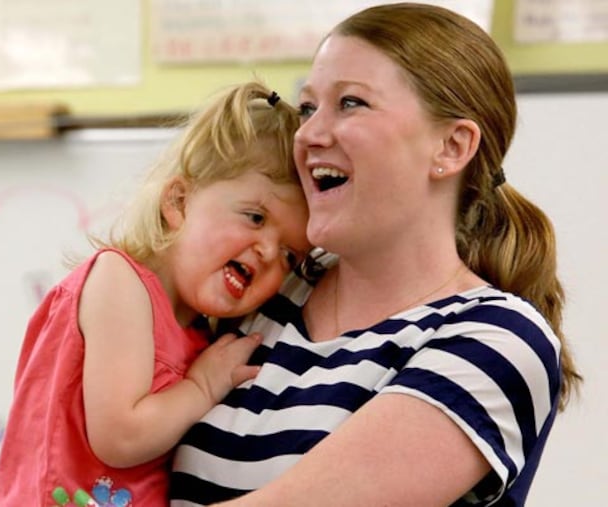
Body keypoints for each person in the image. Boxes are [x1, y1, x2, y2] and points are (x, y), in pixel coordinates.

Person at [170, 3, 581, 506]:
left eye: (350, 104)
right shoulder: (270, 287)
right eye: (308, 108)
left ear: (451, 147)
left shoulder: (498, 341)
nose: (309, 134)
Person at [0, 80, 311, 507]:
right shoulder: (119, 282)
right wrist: (202, 387)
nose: (269, 251)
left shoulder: (201, 334)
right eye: (255, 217)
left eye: (290, 256)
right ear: (178, 202)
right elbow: (121, 437)